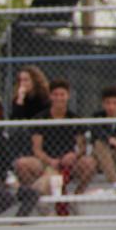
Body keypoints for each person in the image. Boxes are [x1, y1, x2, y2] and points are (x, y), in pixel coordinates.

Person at [15, 78, 97, 210]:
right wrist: (50, 161)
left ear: (68, 96)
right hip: (46, 163)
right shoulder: (40, 118)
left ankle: (75, 198)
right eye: (56, 94)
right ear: (50, 96)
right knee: (22, 163)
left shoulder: (75, 119)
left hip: (69, 163)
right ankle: (35, 198)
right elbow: (37, 149)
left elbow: (82, 147)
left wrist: (73, 155)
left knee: (90, 162)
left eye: (62, 94)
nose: (59, 98)